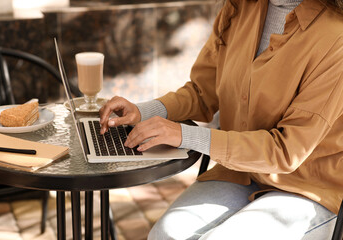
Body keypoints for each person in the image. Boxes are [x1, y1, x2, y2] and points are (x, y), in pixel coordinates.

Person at [99, 0, 343, 238]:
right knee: (165, 234)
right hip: (241, 172)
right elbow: (203, 91)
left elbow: (286, 151)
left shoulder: (335, 37)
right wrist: (145, 111)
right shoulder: (238, 7)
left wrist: (185, 136)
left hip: (309, 189)